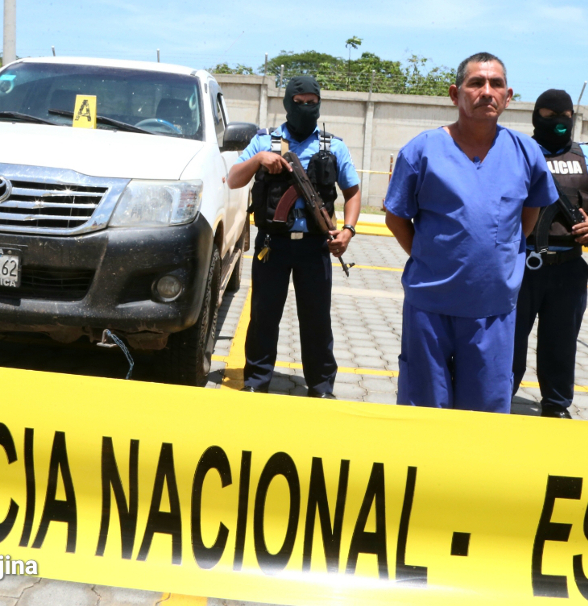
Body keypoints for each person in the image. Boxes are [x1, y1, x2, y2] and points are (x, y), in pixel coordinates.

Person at [384, 52, 558, 413]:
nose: (487, 91)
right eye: (476, 83)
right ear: (455, 94)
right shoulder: (422, 150)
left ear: (508, 97)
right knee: (424, 409)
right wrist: (432, 258)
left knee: (484, 413)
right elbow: (396, 218)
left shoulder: (525, 152)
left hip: (492, 309)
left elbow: (529, 215)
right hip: (429, 304)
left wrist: (498, 255)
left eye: (496, 84)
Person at [227, 76, 361, 398]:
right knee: (263, 316)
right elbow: (232, 179)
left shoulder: (333, 146)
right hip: (272, 245)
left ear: (319, 103)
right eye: (298, 102)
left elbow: (353, 192)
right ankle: (256, 380)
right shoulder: (265, 141)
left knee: (316, 320)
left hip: (315, 246)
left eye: (311, 102)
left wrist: (348, 230)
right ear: (287, 103)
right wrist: (258, 160)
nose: (305, 108)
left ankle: (321, 386)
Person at [513, 89, 588, 419]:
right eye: (549, 116)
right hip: (523, 263)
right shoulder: (520, 151)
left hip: (569, 266)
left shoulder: (586, 155)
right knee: (510, 339)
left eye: (565, 117)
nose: (558, 122)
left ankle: (556, 406)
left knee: (561, 342)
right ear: (536, 117)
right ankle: (498, 396)